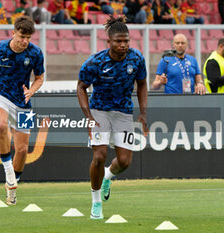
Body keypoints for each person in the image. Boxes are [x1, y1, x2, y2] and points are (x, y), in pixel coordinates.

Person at [77, 16, 148, 220]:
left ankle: (108, 176)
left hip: (124, 112)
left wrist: (143, 112)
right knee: (99, 156)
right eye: (118, 41)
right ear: (109, 42)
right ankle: (96, 202)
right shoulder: (95, 62)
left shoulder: (136, 59)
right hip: (99, 111)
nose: (123, 44)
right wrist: (89, 116)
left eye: (126, 40)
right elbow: (81, 87)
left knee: (125, 162)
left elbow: (142, 83)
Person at [0, 16, 44, 205]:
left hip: (23, 103)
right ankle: (8, 171)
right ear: (13, 33)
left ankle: (11, 186)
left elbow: (39, 78)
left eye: (28, 38)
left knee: (22, 150)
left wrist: (32, 90)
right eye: (22, 36)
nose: (25, 41)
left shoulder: (36, 53)